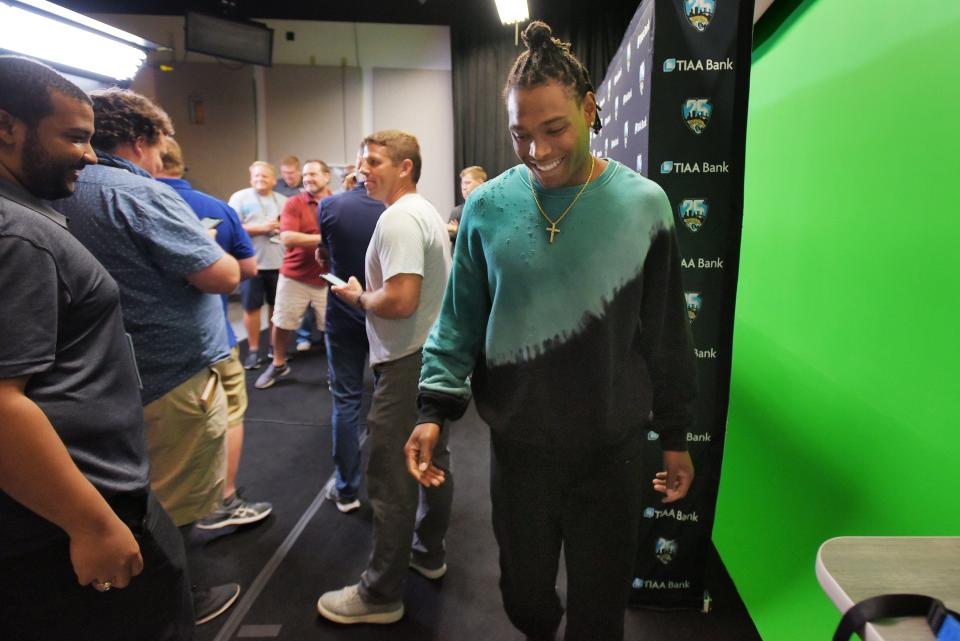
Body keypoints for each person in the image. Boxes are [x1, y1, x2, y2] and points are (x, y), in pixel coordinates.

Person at [404, 21, 697, 641]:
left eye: (554, 128)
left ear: (590, 110)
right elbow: (458, 318)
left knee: (600, 610)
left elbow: (668, 329)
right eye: (520, 134)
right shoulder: (486, 207)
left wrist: (674, 433)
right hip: (521, 450)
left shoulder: (646, 205)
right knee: (524, 597)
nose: (537, 150)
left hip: (611, 451)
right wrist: (433, 408)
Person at [0, 55, 193, 640]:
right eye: (74, 137)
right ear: (7, 128)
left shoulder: (31, 217)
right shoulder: (17, 237)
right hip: (67, 521)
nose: (89, 153)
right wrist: (92, 526)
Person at [51, 87, 243, 625]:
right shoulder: (137, 193)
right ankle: (174, 599)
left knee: (120, 490)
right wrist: (215, 245)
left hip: (91, 380)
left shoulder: (51, 190)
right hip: (166, 375)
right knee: (169, 506)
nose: (162, 161)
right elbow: (220, 274)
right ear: (139, 142)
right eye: (161, 148)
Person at [317, 131, 453, 624]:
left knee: (391, 477)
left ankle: (381, 594)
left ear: (406, 168)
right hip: (430, 358)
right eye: (360, 162)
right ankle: (428, 552)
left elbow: (399, 301)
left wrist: (358, 298)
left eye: (374, 161)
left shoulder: (398, 218)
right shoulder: (424, 213)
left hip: (407, 362)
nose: (361, 170)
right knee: (431, 460)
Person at [154, 138, 273, 531]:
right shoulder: (214, 207)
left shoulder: (115, 202)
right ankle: (223, 500)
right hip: (211, 339)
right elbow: (248, 268)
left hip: (138, 346)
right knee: (230, 412)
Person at [316, 150, 385, 512]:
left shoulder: (331, 206)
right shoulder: (396, 210)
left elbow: (324, 257)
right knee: (389, 403)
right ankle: (390, 488)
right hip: (386, 314)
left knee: (345, 401)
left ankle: (345, 490)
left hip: (343, 315)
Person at [254, 160, 333, 389]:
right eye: (306, 174)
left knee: (332, 328)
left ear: (327, 176)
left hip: (327, 277)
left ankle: (335, 371)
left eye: (313, 174)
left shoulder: (336, 202)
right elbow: (288, 237)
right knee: (282, 323)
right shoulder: (293, 203)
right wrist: (324, 239)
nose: (308, 178)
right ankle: (278, 364)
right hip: (294, 275)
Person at [229, 161, 288, 369]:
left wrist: (280, 227)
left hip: (279, 263)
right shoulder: (240, 197)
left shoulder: (283, 200)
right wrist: (261, 228)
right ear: (250, 177)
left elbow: (289, 226)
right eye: (256, 176)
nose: (260, 179)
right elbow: (233, 228)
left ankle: (274, 347)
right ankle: (253, 350)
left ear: (273, 179)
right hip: (252, 264)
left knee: (276, 308)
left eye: (265, 176)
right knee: (251, 307)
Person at [447, 165, 486, 245]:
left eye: (467, 183)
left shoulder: (489, 210)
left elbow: (482, 239)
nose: (464, 187)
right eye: (462, 183)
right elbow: (449, 235)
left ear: (480, 183)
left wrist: (456, 230)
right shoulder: (456, 211)